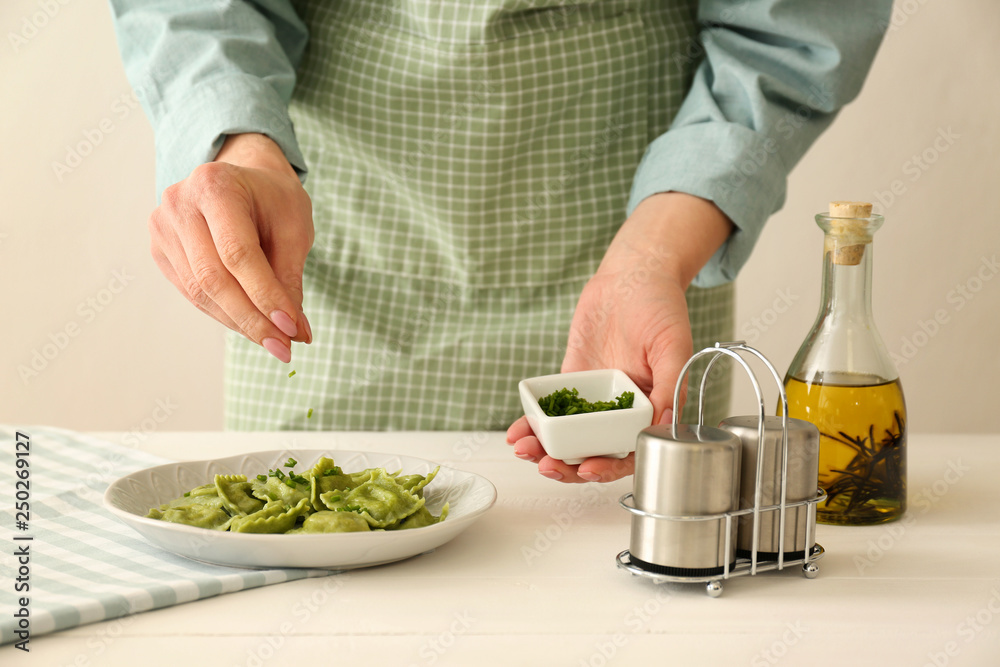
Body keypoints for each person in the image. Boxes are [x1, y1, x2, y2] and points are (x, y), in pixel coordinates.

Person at [109, 0, 892, 484]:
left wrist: (653, 255)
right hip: (339, 250)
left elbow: (794, 26)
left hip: (638, 234)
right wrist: (243, 151)